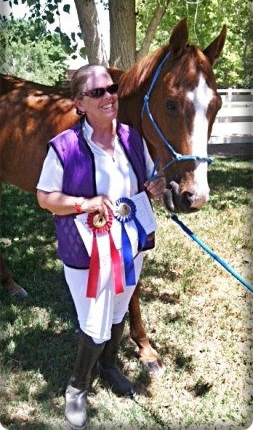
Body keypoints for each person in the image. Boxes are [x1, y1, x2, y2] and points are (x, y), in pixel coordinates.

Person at [36, 64, 166, 429]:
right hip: (86, 255)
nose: (109, 96)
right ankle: (77, 387)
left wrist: (152, 186)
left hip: (131, 247)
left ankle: (109, 365)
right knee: (94, 324)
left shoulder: (131, 138)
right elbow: (45, 197)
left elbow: (144, 181)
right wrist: (84, 204)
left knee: (119, 310)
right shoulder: (64, 147)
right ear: (79, 103)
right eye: (97, 93)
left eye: (111, 89)